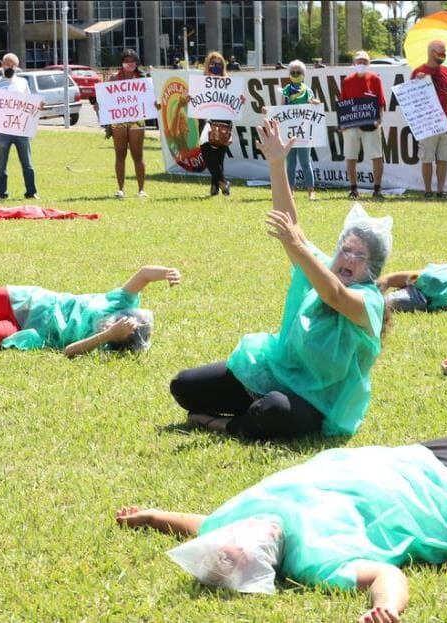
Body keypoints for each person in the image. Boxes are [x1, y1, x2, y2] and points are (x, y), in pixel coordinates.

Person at [117, 423, 447, 622]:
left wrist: (150, 516)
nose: (234, 547)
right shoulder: (313, 561)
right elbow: (386, 574)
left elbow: (197, 523)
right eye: (237, 562)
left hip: (430, 459)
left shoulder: (236, 518)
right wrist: (384, 607)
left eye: (224, 549)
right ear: (261, 563)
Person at [169, 119, 392, 439]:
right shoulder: (321, 268)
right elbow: (292, 226)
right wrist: (276, 163)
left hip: (317, 401)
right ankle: (250, 408)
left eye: (360, 257)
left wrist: (298, 246)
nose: (348, 260)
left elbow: (336, 297)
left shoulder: (370, 301)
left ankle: (223, 423)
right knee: (185, 386)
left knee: (272, 411)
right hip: (277, 373)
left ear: (373, 269)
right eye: (346, 250)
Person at [0, 266, 180, 357]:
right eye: (123, 320)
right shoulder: (119, 301)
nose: (119, 321)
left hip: (28, 332)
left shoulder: (105, 344)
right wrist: (168, 272)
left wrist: (108, 335)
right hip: (31, 301)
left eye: (124, 329)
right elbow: (145, 273)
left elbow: (69, 351)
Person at [0, 53, 39, 201]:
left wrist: (38, 105)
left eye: (11, 65)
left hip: (21, 129)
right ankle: (1, 192)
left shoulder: (22, 83)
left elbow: (29, 102)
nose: (8, 67)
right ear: (2, 65)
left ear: (16, 67)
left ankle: (31, 191)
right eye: (6, 64)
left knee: (27, 163)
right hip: (2, 130)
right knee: (1, 164)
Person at [411, 40, 447, 199]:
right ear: (431, 52)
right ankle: (428, 190)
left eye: (444, 52)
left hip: (445, 120)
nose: (443, 55)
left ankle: (440, 191)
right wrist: (417, 81)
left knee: (443, 158)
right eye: (440, 52)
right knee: (427, 158)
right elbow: (411, 97)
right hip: (427, 122)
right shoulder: (418, 71)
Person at [339, 50, 386, 199]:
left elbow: (381, 102)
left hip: (371, 125)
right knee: (350, 156)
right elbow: (343, 104)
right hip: (351, 125)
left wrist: (379, 119)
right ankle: (353, 188)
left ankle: (377, 188)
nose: (361, 64)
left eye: (364, 61)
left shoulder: (375, 79)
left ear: (369, 64)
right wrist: (343, 123)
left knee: (377, 156)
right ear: (354, 63)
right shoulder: (347, 81)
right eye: (359, 61)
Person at [198, 51, 245, 197]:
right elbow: (194, 100)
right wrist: (189, 98)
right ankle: (223, 182)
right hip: (206, 121)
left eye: (219, 64)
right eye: (213, 63)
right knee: (207, 152)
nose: (215, 66)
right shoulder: (201, 81)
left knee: (219, 156)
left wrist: (241, 99)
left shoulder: (228, 81)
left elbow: (235, 100)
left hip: (223, 121)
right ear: (207, 65)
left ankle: (214, 187)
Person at [103, 49, 147, 199]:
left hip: (137, 119)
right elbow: (106, 100)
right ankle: (120, 189)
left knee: (138, 155)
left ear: (137, 62)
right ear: (122, 62)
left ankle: (141, 189)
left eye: (132, 60)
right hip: (118, 120)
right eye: (126, 61)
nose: (129, 64)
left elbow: (150, 99)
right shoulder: (114, 79)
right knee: (120, 154)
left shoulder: (142, 78)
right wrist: (99, 106)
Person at [281, 60, 321, 200]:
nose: (296, 74)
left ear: (303, 74)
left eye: (298, 72)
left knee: (305, 162)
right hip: (290, 132)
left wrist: (315, 102)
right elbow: (282, 108)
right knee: (290, 163)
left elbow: (312, 102)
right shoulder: (286, 90)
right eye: (293, 72)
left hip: (304, 131)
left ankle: (311, 190)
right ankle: (290, 191)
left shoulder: (307, 90)